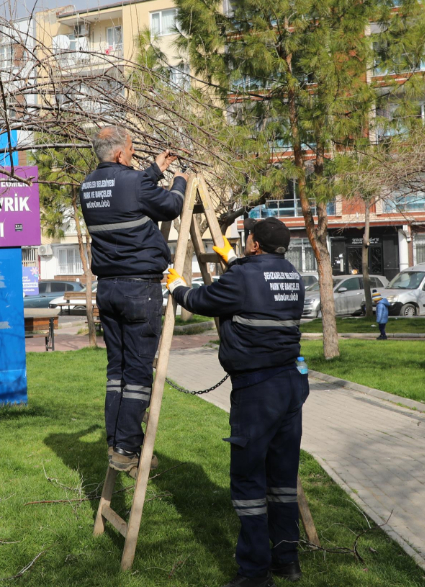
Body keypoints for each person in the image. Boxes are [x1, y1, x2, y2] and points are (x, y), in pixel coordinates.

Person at [167, 217, 308, 587]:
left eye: (247, 240)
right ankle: (287, 561)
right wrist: (232, 259)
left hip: (257, 390)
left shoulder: (243, 276)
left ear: (256, 245)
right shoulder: (293, 276)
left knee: (248, 484)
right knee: (281, 481)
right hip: (291, 385)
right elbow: (260, 287)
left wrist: (178, 286)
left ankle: (255, 572)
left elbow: (201, 300)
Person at [80, 126, 190, 475]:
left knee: (117, 372)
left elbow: (125, 190)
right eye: (130, 151)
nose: (132, 156)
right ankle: (127, 448)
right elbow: (171, 205)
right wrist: (180, 180)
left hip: (108, 289)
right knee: (139, 373)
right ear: (118, 155)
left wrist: (155, 169)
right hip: (138, 290)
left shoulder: (87, 186)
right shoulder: (135, 183)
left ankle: (116, 442)